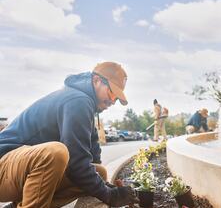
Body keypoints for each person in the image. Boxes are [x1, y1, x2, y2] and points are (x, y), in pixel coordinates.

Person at [0, 62, 138, 208]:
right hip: (4, 166)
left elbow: (91, 159)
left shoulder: (87, 106)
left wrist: (109, 188)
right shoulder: (78, 101)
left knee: (99, 172)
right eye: (111, 93)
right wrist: (110, 196)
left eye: (117, 98)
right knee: (55, 153)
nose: (112, 101)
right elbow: (76, 161)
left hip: (20, 171)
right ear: (96, 80)